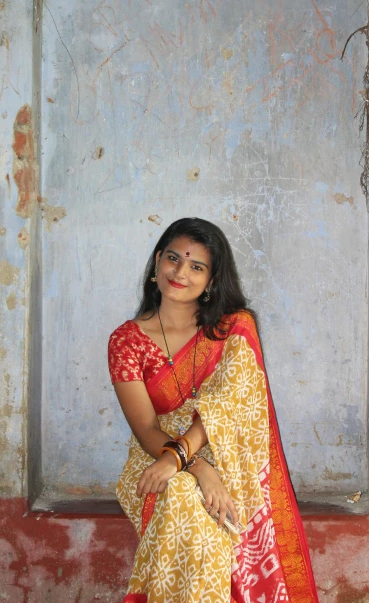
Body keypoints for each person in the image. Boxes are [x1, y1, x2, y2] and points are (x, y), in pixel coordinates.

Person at [108, 217, 318, 603]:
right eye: (173, 258)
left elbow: (231, 403)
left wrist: (191, 459)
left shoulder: (234, 328)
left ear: (211, 280)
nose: (180, 272)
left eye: (196, 267)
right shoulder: (126, 340)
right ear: (157, 262)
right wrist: (194, 465)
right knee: (181, 493)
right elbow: (145, 428)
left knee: (189, 504)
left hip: (229, 457)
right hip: (154, 460)